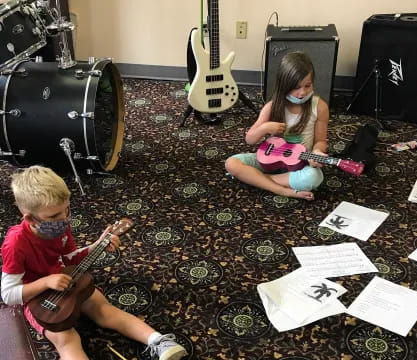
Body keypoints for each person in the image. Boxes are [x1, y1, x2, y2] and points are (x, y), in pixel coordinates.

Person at [0, 166, 187, 360]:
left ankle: (158, 341)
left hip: (66, 279)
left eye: (66, 210)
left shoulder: (59, 225)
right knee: (68, 339)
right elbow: (8, 295)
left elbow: (70, 258)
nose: (64, 218)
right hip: (37, 299)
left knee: (104, 310)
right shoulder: (15, 244)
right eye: (54, 216)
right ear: (30, 219)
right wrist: (46, 282)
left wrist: (97, 246)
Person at [225, 51, 329, 200]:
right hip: (270, 159)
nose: (302, 92)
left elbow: (321, 140)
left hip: (300, 163)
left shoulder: (319, 107)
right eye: (296, 87)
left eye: (307, 86)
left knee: (314, 178)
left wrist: (317, 152)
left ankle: (256, 179)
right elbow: (250, 139)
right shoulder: (272, 106)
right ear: (284, 85)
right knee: (232, 163)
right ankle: (282, 190)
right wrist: (265, 128)